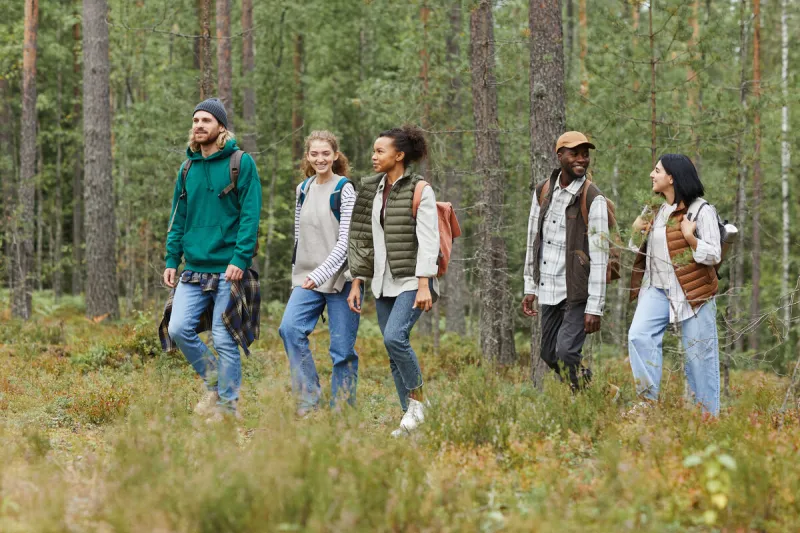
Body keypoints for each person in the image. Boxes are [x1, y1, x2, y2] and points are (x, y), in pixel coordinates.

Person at [159, 98, 262, 421]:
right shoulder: (187, 168)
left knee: (223, 336)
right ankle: (217, 385)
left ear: (220, 126)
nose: (199, 125)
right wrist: (171, 259)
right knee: (177, 329)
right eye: (196, 120)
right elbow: (179, 216)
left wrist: (240, 258)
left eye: (206, 120)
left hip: (229, 268)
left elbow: (250, 214)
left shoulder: (240, 162)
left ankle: (228, 408)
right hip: (194, 269)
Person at [347, 125, 439, 437]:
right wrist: (357, 280)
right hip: (382, 281)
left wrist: (425, 283)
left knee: (394, 338)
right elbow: (361, 238)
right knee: (392, 354)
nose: (374, 156)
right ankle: (409, 420)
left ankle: (419, 401)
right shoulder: (371, 188)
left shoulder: (420, 189)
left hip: (413, 279)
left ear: (398, 155)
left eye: (380, 151)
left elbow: (429, 241)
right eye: (374, 151)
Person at [627, 153, 721, 416]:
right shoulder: (654, 209)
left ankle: (708, 419)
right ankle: (647, 405)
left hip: (694, 293)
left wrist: (690, 237)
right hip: (657, 288)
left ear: (672, 177)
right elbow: (636, 246)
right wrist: (636, 229)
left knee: (699, 359)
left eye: (656, 170)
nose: (651, 174)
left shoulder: (701, 210)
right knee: (639, 336)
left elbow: (714, 254)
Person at [278, 131, 360, 417]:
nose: (320, 159)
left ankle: (342, 413)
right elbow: (300, 236)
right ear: (308, 157)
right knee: (289, 329)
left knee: (342, 350)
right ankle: (308, 401)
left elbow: (345, 241)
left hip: (342, 280)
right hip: (307, 278)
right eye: (314, 154)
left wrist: (321, 273)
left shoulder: (344, 189)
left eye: (326, 153)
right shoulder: (303, 189)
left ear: (335, 155)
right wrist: (298, 275)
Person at [522, 131, 610, 390]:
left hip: (577, 292)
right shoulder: (543, 191)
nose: (582, 159)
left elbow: (600, 256)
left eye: (586, 154)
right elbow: (532, 240)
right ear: (559, 155)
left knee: (567, 353)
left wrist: (595, 306)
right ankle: (595, 393)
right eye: (575, 153)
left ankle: (591, 400)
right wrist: (530, 286)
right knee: (549, 354)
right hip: (549, 288)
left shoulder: (594, 198)